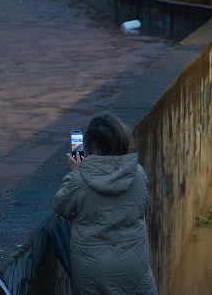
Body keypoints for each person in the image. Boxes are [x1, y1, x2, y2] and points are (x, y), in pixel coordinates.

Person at [52, 112, 158, 295]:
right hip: (134, 265)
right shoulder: (138, 173)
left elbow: (60, 206)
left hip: (93, 269)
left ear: (89, 145)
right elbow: (142, 204)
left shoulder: (80, 182)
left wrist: (76, 172)